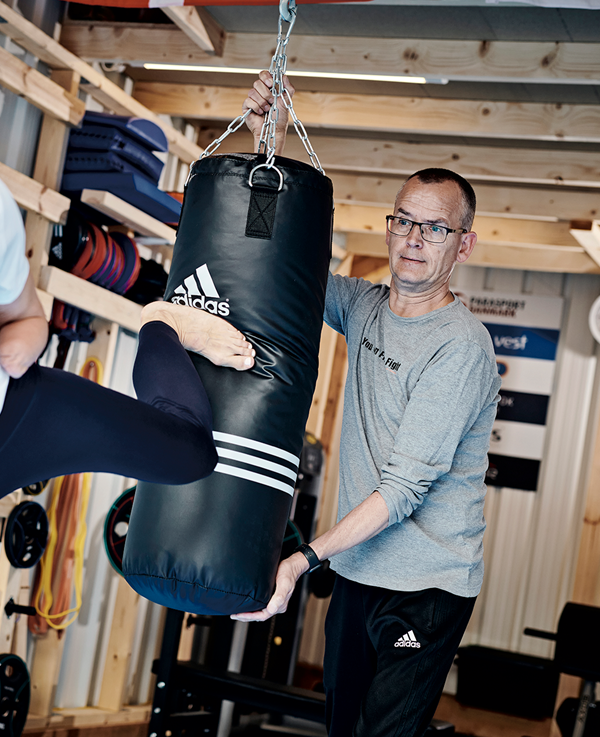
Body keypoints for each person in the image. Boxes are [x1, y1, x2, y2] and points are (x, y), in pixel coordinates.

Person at [233, 71, 501, 737]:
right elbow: (279, 258)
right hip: (357, 570)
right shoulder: (364, 306)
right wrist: (268, 133)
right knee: (342, 729)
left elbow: (405, 488)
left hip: (427, 586)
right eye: (404, 221)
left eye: (434, 229)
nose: (413, 238)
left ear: (462, 244)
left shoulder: (460, 347)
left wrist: (300, 560)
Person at [0, 177, 255, 493]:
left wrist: (24, 342)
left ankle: (161, 324)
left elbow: (29, 318)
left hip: (13, 413)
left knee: (190, 455)